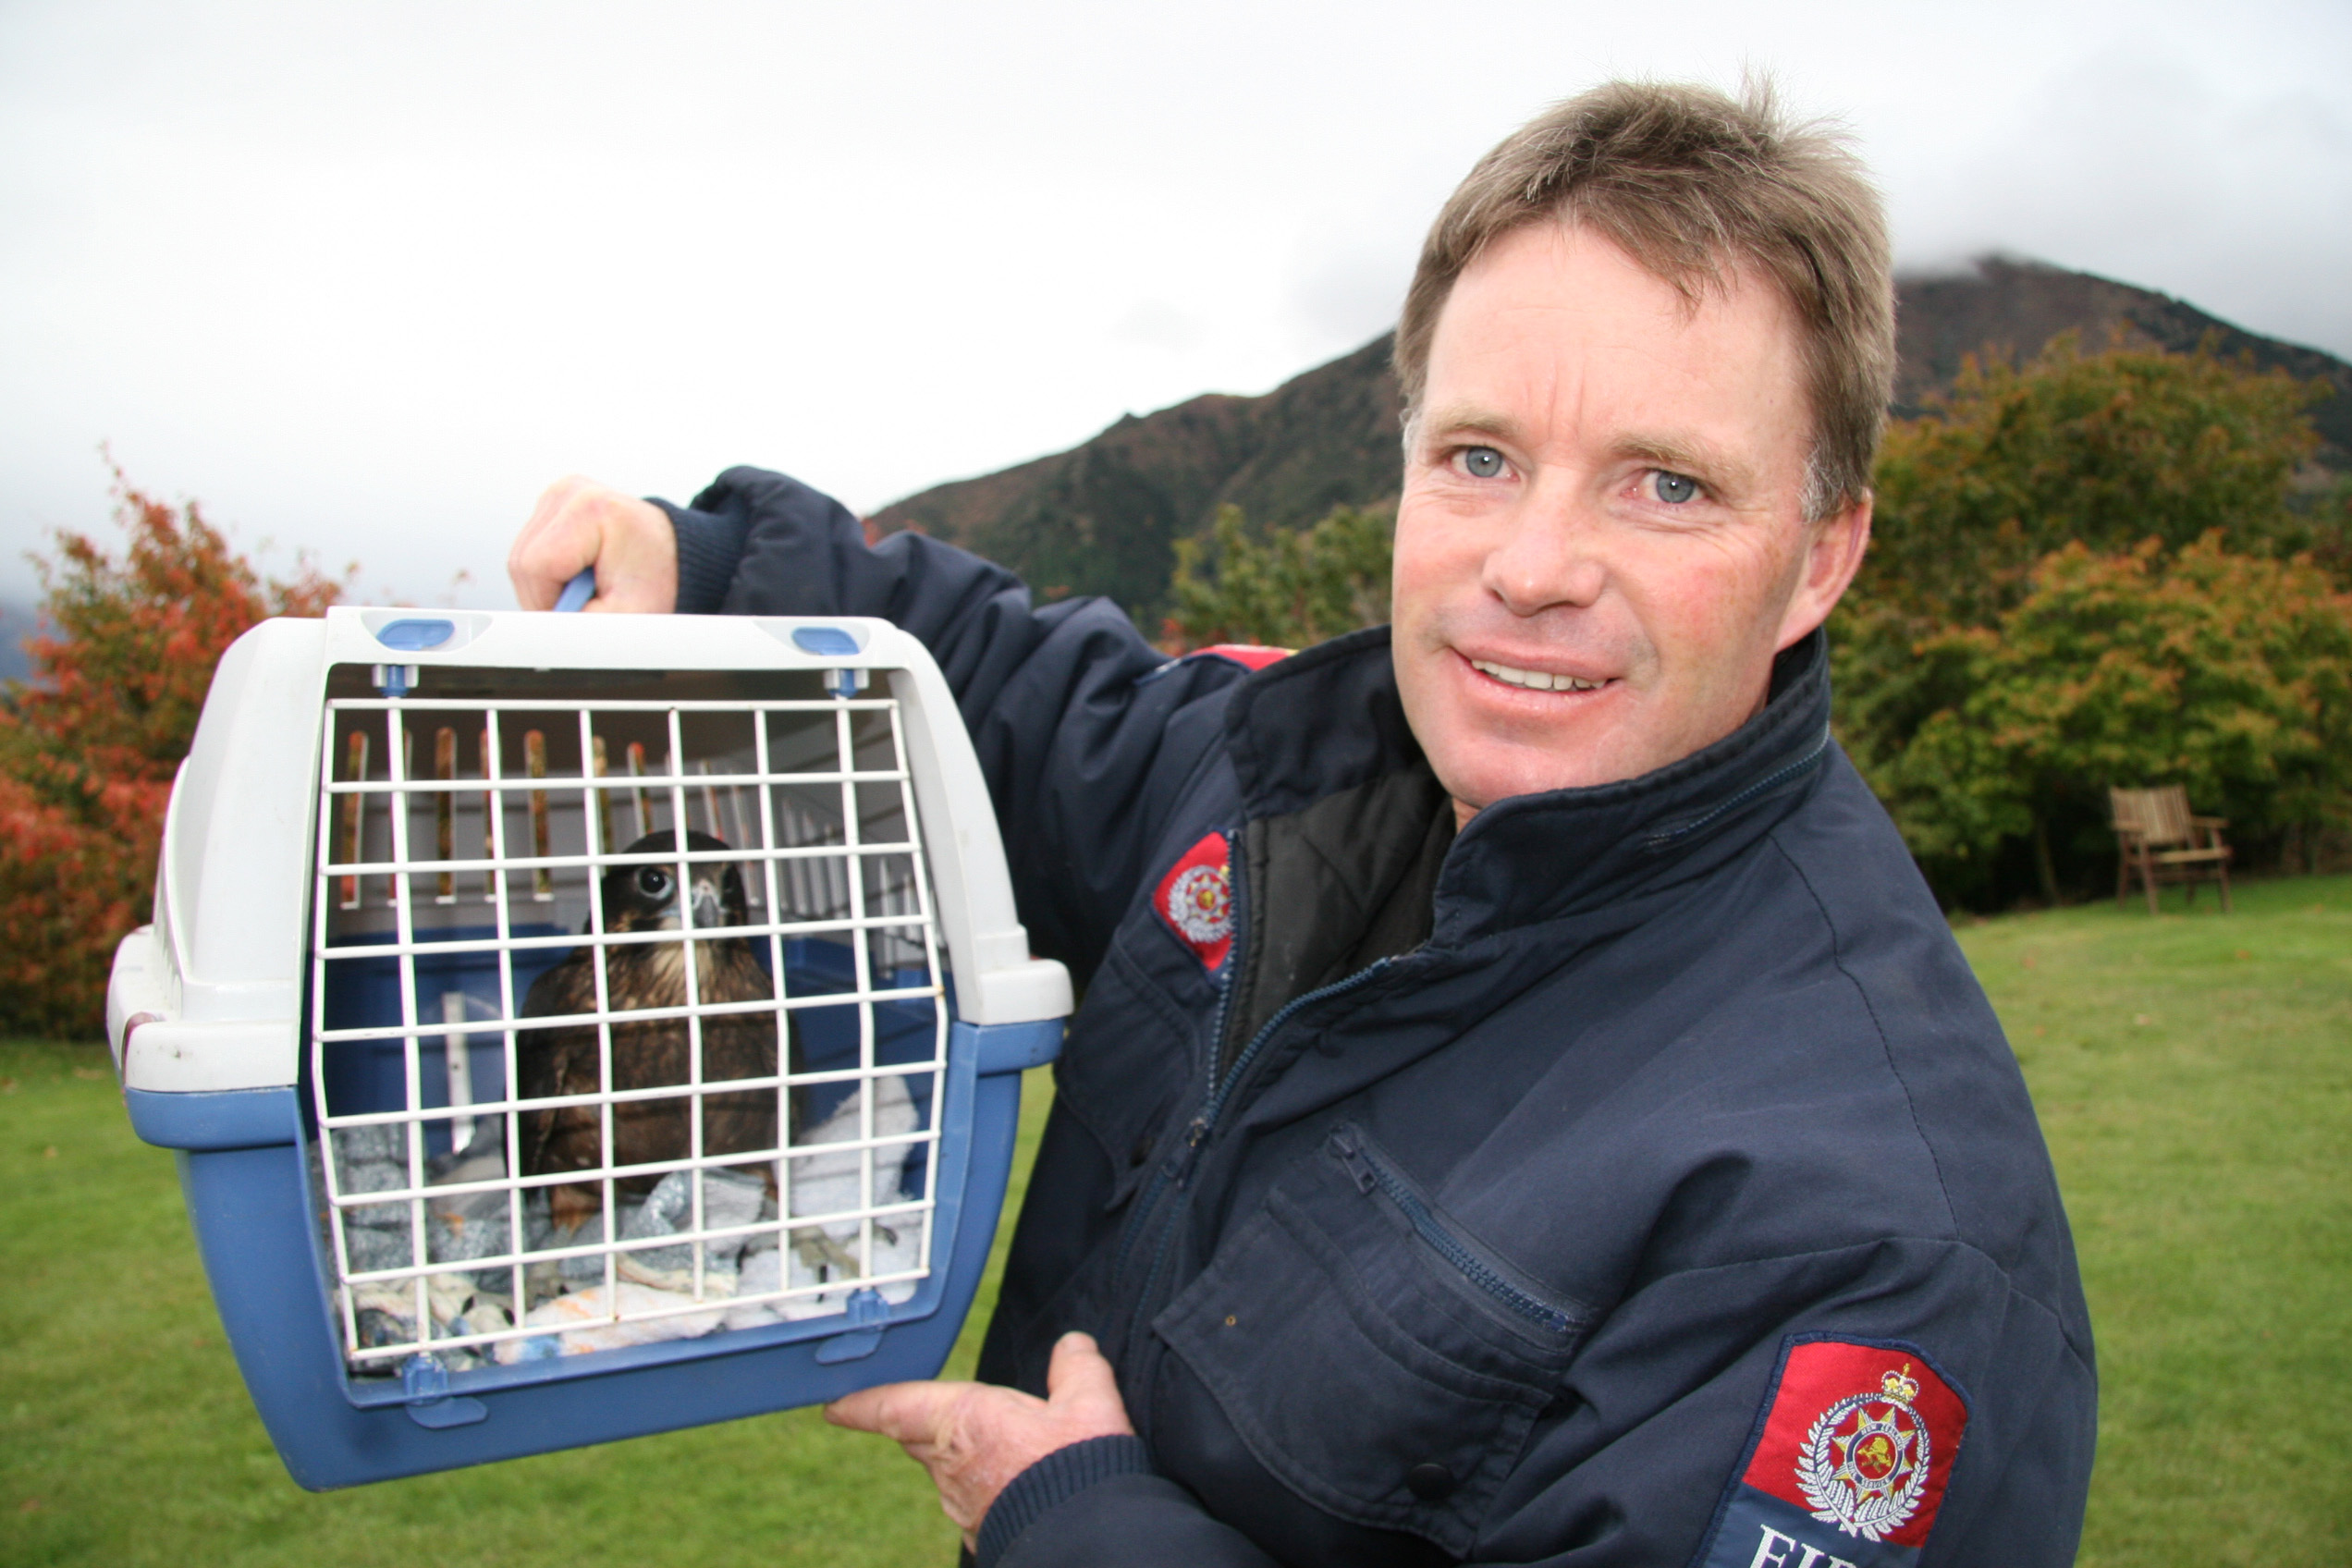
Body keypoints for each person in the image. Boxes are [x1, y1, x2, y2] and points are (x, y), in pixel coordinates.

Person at [509, 80, 2094, 1568]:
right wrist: (706, 567)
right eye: (1480, 456)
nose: (1532, 563)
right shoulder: (1275, 779)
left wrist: (1076, 1525)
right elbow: (1012, 689)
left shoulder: (1878, 1252)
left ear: (1822, 555)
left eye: (1665, 485)